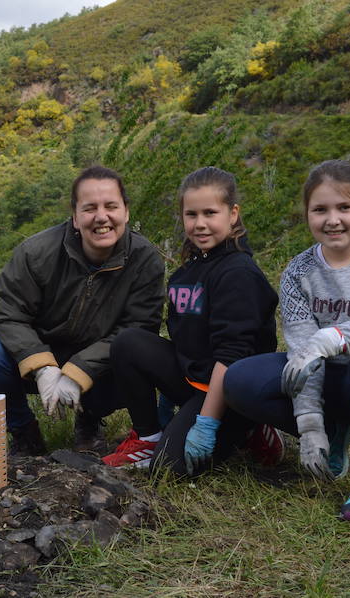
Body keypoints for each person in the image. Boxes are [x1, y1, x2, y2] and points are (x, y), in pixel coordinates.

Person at [224, 159, 350, 523]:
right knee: (239, 381)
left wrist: (332, 336)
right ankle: (332, 430)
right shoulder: (299, 271)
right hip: (329, 381)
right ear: (308, 215)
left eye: (344, 207)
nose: (333, 219)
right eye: (320, 210)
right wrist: (309, 423)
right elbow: (304, 352)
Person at [0, 165, 165, 456]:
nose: (101, 217)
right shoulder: (37, 252)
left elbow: (139, 327)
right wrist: (42, 366)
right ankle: (24, 432)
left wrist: (80, 370)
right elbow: (7, 312)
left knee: (136, 357)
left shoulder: (144, 259)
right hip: (43, 353)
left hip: (102, 364)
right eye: (89, 208)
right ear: (75, 217)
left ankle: (88, 421)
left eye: (111, 206)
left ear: (125, 211)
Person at [102, 167, 283, 475]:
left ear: (233, 213)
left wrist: (206, 424)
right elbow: (185, 336)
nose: (200, 224)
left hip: (232, 391)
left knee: (168, 469)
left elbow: (232, 355)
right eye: (191, 214)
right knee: (129, 342)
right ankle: (148, 436)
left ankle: (251, 426)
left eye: (210, 213)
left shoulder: (237, 273)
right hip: (195, 380)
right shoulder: (189, 270)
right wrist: (167, 399)